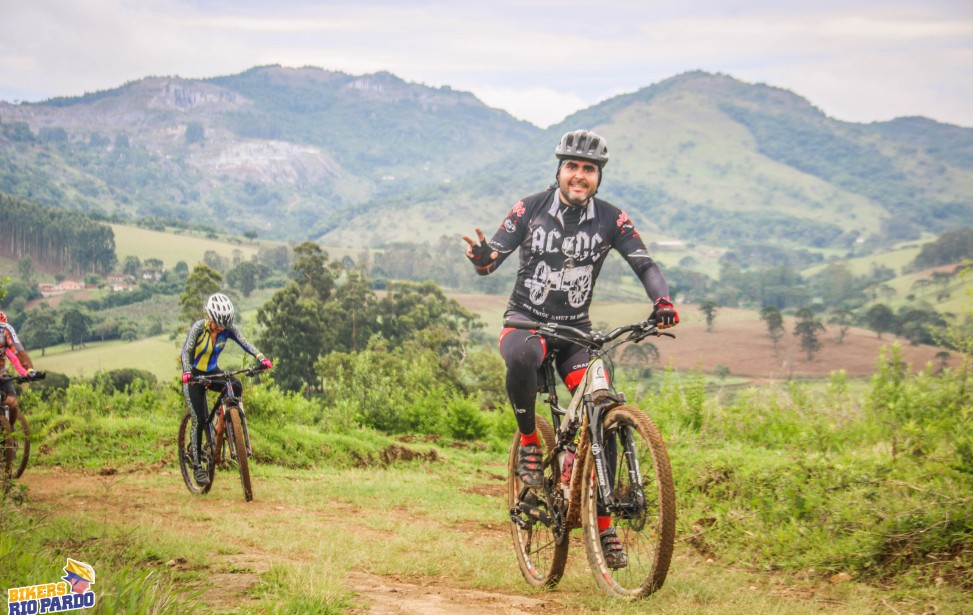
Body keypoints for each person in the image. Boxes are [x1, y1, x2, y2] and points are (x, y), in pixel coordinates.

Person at [463, 129, 679, 569]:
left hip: (576, 336)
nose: (580, 176)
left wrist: (662, 301)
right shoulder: (530, 208)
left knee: (605, 409)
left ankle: (604, 526)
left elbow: (645, 264)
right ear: (559, 169)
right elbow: (490, 263)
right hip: (527, 325)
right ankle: (528, 443)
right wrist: (481, 256)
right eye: (573, 167)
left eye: (589, 170)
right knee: (523, 355)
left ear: (598, 176)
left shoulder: (611, 220)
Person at [180, 293, 272, 485]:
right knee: (197, 419)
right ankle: (197, 466)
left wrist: (261, 358)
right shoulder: (198, 328)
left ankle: (230, 423)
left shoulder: (228, 329)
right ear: (210, 317)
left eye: (224, 324)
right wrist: (187, 372)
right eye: (218, 324)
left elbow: (245, 343)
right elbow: (187, 351)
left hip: (212, 371)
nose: (221, 328)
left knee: (235, 385)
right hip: (194, 377)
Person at [0, 310, 37, 430]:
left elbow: (19, 353)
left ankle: (9, 430)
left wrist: (29, 370)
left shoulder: (5, 330)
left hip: (1, 374)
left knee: (12, 403)